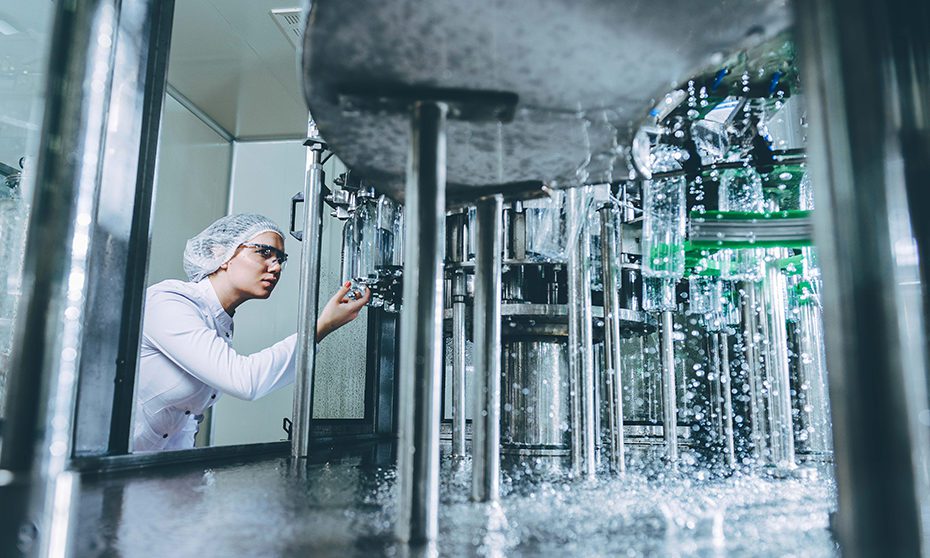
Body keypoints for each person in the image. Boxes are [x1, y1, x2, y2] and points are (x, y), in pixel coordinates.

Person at [133, 213, 369, 451]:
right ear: (220, 253)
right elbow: (246, 381)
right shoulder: (169, 303)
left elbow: (186, 420)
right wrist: (321, 326)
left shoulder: (220, 321)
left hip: (155, 470)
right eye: (264, 252)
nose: (276, 267)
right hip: (114, 470)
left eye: (280, 258)